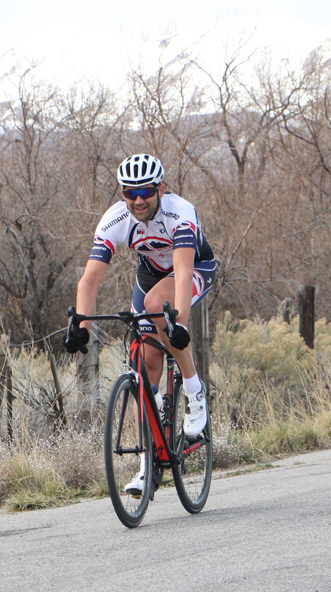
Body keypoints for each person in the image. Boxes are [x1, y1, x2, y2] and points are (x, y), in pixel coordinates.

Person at [64, 153, 217, 495]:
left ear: (161, 188)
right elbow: (89, 281)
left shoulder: (180, 213)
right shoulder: (115, 219)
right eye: (129, 192)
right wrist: (82, 328)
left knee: (154, 307)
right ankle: (147, 467)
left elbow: (182, 273)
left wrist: (179, 322)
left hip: (191, 271)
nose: (137, 200)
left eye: (145, 191)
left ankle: (194, 392)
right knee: (144, 371)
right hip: (149, 277)